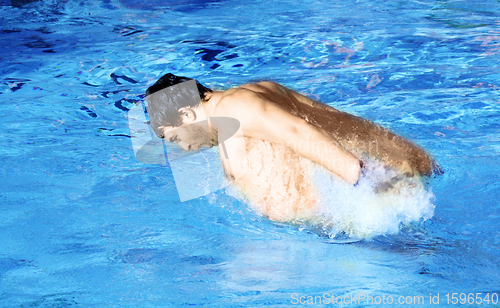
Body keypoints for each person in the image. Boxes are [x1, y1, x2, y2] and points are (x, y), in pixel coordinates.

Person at [145, 73, 438, 221]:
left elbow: (299, 132)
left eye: (175, 138)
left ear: (185, 115)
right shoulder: (249, 97)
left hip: (364, 211)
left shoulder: (236, 108)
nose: (183, 148)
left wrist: (363, 177)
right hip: (381, 183)